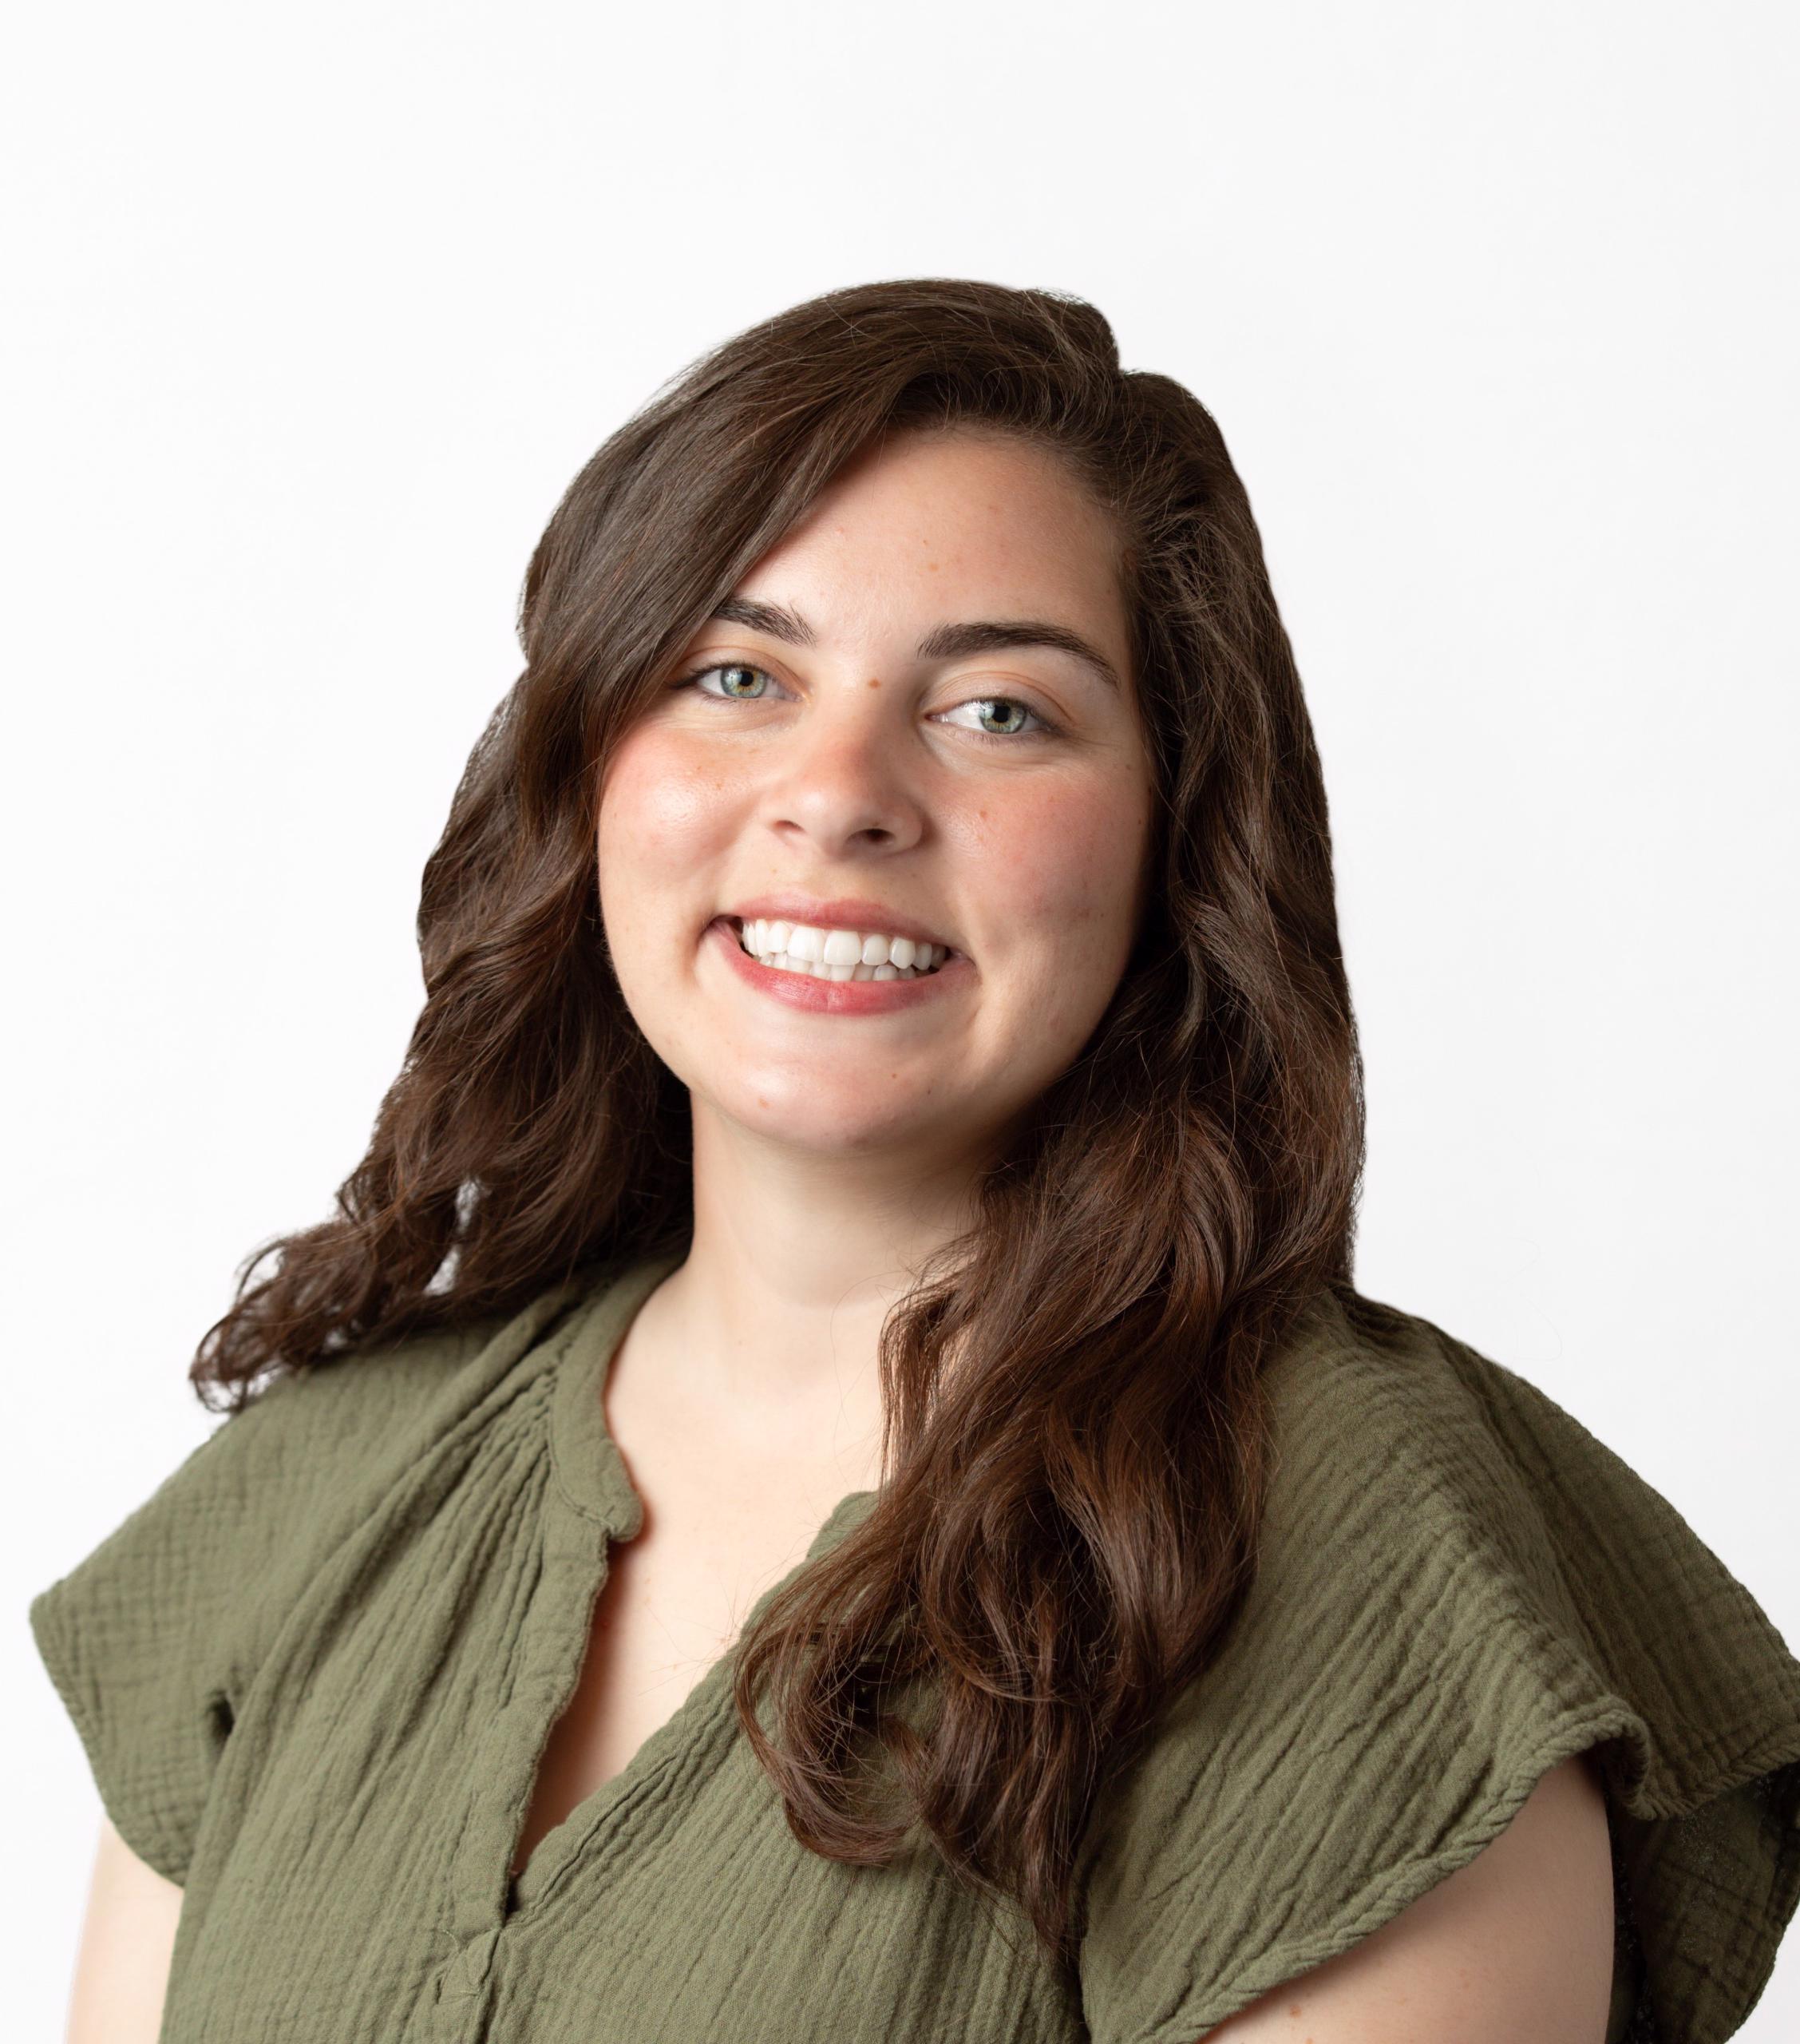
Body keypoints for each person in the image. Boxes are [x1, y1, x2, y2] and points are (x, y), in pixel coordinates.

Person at [29, 279, 1800, 2044]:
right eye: (734, 673)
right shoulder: (327, 1479)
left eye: (1000, 711)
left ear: (1181, 835)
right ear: (589, 773)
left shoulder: (1348, 1544)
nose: (838, 789)